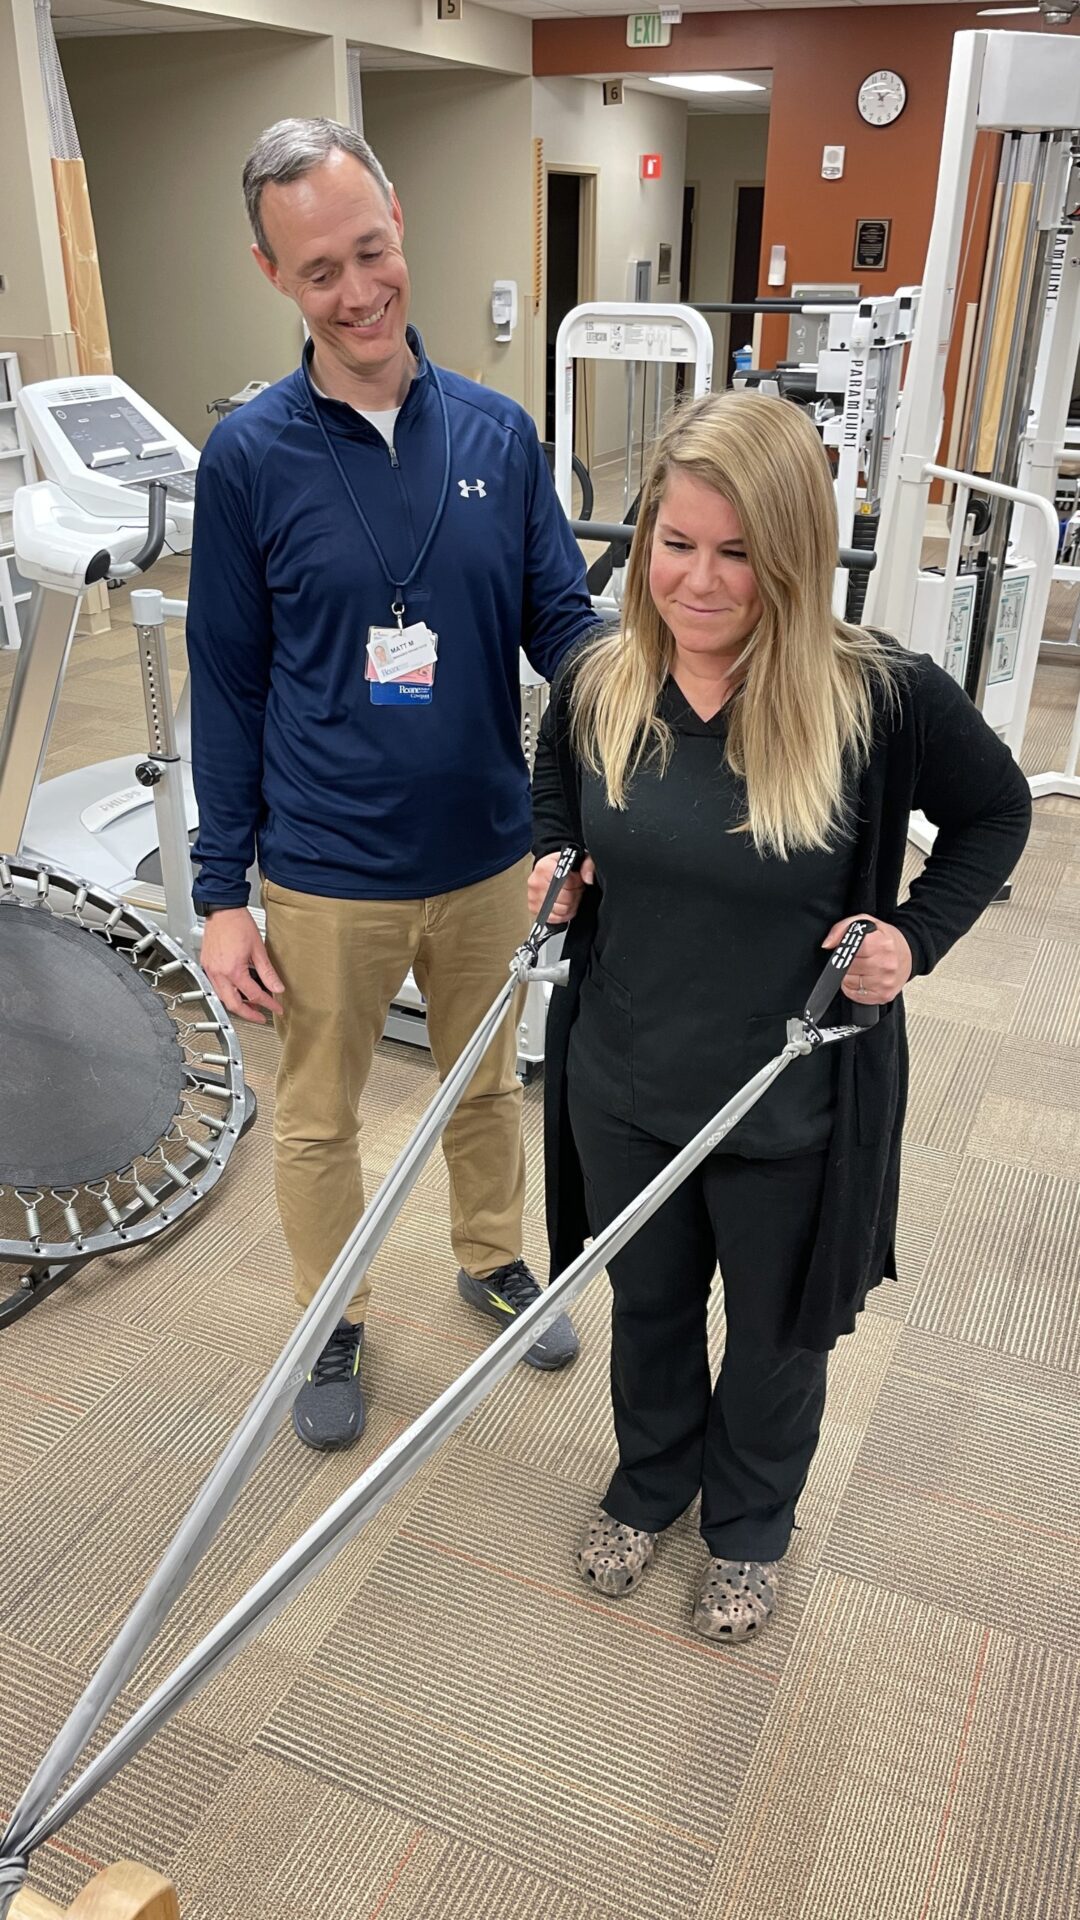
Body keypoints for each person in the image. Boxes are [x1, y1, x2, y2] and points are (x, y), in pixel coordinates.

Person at [529, 390, 1031, 1640]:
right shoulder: (599, 679)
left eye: (738, 552)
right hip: (628, 1077)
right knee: (646, 1309)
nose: (698, 581)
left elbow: (998, 813)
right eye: (676, 542)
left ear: (793, 555)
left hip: (790, 1095)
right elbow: (557, 800)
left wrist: (911, 939)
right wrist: (555, 864)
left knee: (773, 1331)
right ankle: (652, 1483)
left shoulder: (877, 697)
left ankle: (750, 1521)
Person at [186, 118, 596, 1451]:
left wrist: (662, 687)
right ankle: (332, 1321)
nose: (357, 292)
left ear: (401, 224)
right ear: (273, 276)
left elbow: (562, 623)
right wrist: (221, 894)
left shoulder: (497, 430)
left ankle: (490, 1258)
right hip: (322, 874)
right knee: (316, 1124)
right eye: (320, 272)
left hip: (482, 855)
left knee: (483, 1088)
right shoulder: (249, 458)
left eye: (371, 252)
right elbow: (230, 680)